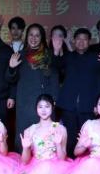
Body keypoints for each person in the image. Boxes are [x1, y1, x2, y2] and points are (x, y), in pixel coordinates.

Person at [6, 94, 72, 174]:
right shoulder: (30, 130)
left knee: (46, 168)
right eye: (40, 107)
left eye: (47, 106)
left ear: (52, 108)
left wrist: (58, 144)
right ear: (36, 109)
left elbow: (62, 158)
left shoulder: (60, 129)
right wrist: (25, 148)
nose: (43, 110)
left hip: (55, 168)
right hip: (35, 166)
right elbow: (25, 161)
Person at [8, 24, 63, 153]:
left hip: (44, 102)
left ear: (42, 37)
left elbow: (56, 77)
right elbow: (11, 80)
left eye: (37, 35)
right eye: (31, 35)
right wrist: (11, 68)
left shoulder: (49, 55)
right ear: (26, 37)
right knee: (24, 135)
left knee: (45, 137)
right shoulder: (19, 55)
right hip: (24, 102)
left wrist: (54, 98)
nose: (34, 38)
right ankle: (23, 161)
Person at [55, 27, 100, 155]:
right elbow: (55, 68)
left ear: (89, 41)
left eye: (85, 39)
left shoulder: (96, 58)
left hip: (88, 106)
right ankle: (70, 164)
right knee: (69, 139)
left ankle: (85, 165)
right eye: (78, 39)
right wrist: (56, 51)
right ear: (74, 40)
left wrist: (98, 104)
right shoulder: (68, 57)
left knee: (87, 140)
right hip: (68, 106)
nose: (81, 42)